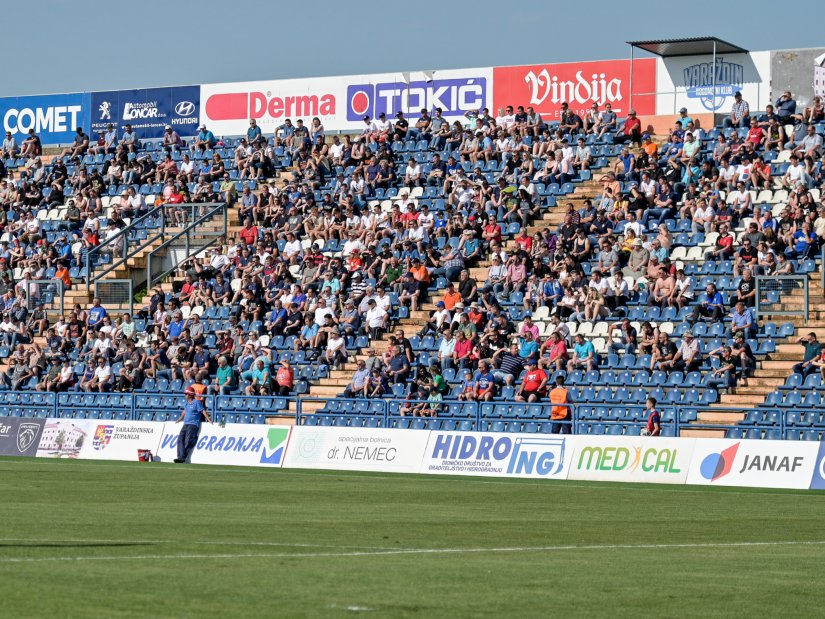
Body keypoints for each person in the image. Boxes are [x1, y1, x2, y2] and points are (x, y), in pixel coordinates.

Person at [173, 386, 212, 464]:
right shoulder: (187, 403)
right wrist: (180, 419)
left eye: (186, 394)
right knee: (180, 439)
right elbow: (184, 411)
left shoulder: (197, 402)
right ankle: (180, 457)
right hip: (186, 423)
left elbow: (203, 411)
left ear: (190, 395)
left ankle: (182, 458)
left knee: (188, 441)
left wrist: (209, 420)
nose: (185, 395)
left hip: (193, 424)